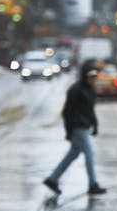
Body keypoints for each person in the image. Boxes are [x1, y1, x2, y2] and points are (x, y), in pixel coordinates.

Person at [43, 60, 107, 196]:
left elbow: (90, 110)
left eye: (95, 76)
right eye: (90, 76)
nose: (93, 79)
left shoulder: (90, 90)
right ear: (84, 75)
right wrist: (68, 131)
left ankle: (52, 179)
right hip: (78, 128)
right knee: (89, 155)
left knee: (73, 154)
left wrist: (95, 124)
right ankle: (93, 184)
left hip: (84, 127)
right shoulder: (76, 90)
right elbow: (67, 112)